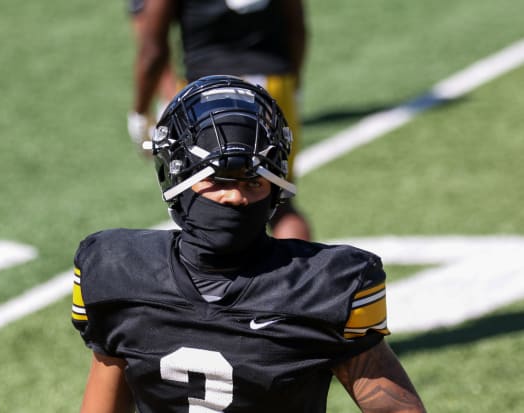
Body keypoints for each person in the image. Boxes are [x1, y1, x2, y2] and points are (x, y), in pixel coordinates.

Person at [72, 76, 426, 413]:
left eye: (254, 181)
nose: (236, 197)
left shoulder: (322, 288)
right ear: (176, 176)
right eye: (218, 178)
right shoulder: (120, 273)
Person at [130, 0, 311, 240]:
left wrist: (140, 112)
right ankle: (299, 274)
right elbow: (297, 28)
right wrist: (292, 86)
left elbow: (152, 49)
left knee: (201, 200)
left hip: (204, 96)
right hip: (272, 86)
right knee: (280, 200)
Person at [126, 0, 178, 152]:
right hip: (250, 93)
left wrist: (140, 113)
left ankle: (169, 101)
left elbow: (153, 52)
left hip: (204, 103)